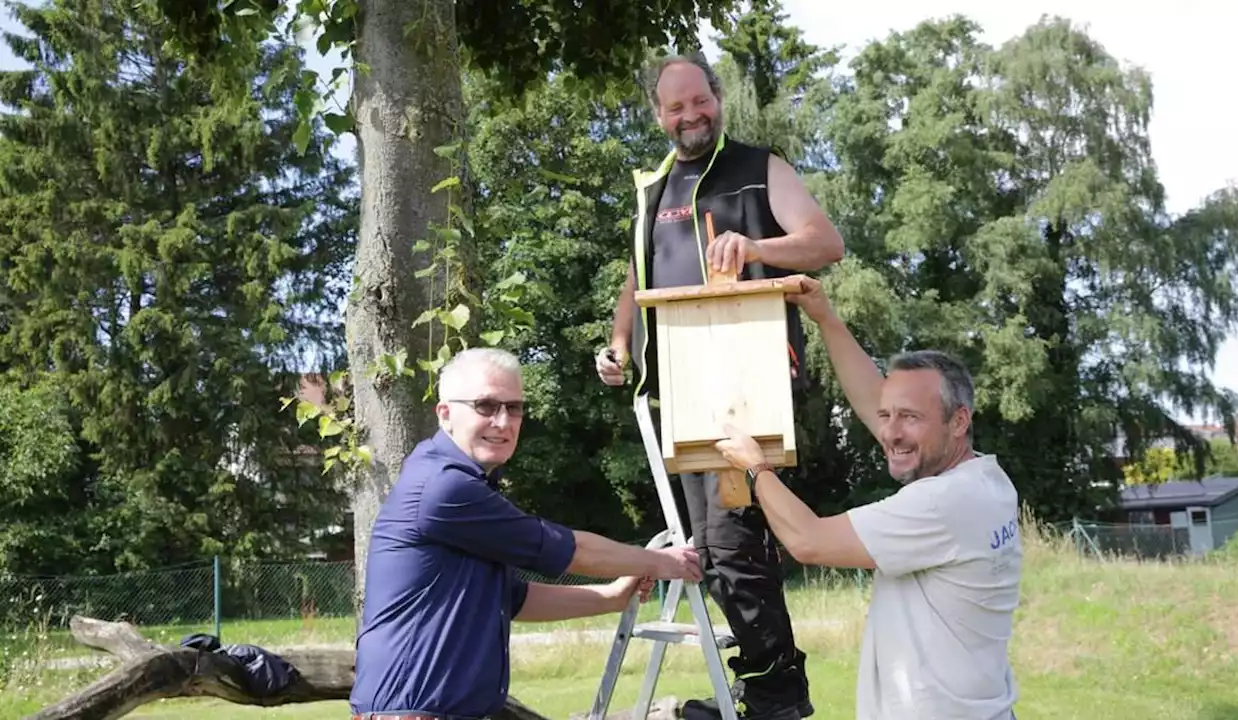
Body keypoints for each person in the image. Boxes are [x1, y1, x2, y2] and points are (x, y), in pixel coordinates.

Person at [596, 52, 843, 720]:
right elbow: (635, 276)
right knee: (711, 551)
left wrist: (756, 247)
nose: (689, 116)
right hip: (673, 399)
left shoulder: (761, 167)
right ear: (658, 115)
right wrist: (619, 344)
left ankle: (776, 696)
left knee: (732, 546)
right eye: (675, 108)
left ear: (717, 97)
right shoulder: (652, 188)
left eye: (698, 101)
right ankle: (765, 686)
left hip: (743, 386)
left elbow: (825, 242)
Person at [711, 275, 1023, 720]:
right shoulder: (988, 482)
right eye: (887, 416)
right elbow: (880, 406)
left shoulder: (941, 503)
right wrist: (826, 317)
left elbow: (809, 540)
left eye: (910, 417)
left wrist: (756, 467)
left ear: (958, 422)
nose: (891, 432)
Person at [350, 347, 703, 720]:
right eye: (485, 406)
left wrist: (612, 596)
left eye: (514, 407)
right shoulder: (444, 488)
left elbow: (512, 599)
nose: (503, 421)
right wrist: (665, 562)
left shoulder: (463, 483)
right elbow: (571, 551)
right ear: (446, 414)